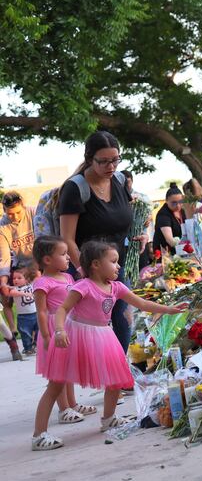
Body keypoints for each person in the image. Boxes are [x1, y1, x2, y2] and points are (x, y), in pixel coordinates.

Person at [32, 240, 186, 450]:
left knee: (116, 379)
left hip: (104, 333)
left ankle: (108, 418)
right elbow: (61, 310)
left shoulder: (117, 287)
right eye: (113, 261)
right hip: (76, 334)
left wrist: (170, 309)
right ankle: (39, 435)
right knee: (56, 384)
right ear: (95, 264)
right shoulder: (83, 286)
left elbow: (142, 304)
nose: (118, 266)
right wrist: (58, 331)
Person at [58, 131, 144, 356]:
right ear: (89, 159)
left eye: (115, 160)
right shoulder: (75, 188)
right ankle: (99, 371)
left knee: (122, 317)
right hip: (88, 269)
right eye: (104, 161)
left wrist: (139, 234)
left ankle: (120, 373)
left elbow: (123, 218)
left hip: (116, 265)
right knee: (94, 325)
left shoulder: (118, 180)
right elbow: (67, 238)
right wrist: (86, 273)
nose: (111, 166)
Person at [32, 236, 93, 425]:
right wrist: (45, 336)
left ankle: (72, 404)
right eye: (63, 254)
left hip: (69, 327)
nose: (68, 258)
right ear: (47, 260)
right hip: (53, 329)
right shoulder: (42, 283)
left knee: (68, 369)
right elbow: (41, 311)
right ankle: (63, 409)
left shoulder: (67, 277)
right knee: (58, 372)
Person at [0, 191, 36, 340]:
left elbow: (43, 238)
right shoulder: (2, 226)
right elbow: (5, 256)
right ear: (4, 210)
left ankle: (39, 332)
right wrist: (3, 281)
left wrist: (37, 266)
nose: (14, 217)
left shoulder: (33, 212)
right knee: (7, 298)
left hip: (37, 262)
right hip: (19, 265)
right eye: (10, 214)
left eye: (17, 212)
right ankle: (14, 331)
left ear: (23, 205)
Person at [10, 266, 38, 355]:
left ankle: (36, 344)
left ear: (26, 280)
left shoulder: (31, 285)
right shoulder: (15, 289)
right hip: (23, 317)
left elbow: (37, 276)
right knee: (25, 333)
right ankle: (28, 348)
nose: (16, 280)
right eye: (14, 278)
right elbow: (12, 293)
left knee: (39, 330)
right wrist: (25, 294)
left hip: (35, 314)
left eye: (19, 278)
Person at [152, 183, 185, 255]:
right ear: (166, 201)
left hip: (181, 250)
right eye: (174, 203)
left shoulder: (183, 210)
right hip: (166, 253)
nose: (178, 205)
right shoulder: (163, 214)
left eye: (180, 202)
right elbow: (170, 240)